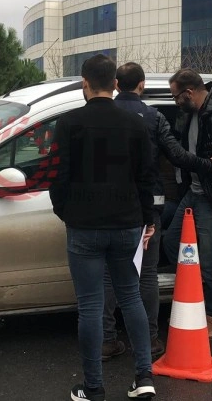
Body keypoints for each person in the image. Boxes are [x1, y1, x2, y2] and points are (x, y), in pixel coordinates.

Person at [49, 54, 156, 401]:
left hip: (84, 227)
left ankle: (93, 387)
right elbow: (146, 178)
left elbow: (58, 177)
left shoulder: (69, 124)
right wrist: (148, 219)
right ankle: (144, 377)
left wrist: (66, 212)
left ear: (85, 83)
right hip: (127, 224)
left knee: (91, 306)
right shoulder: (135, 124)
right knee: (131, 297)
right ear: (115, 84)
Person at [102, 62, 212, 362]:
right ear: (141, 85)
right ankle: (150, 339)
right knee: (147, 274)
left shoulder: (101, 115)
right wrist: (209, 164)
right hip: (147, 206)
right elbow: (177, 156)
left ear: (117, 85)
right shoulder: (153, 117)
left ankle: (107, 339)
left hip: (109, 206)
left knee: (110, 275)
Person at [163, 68, 212, 340]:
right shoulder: (191, 113)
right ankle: (194, 296)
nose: (175, 102)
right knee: (172, 242)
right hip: (194, 191)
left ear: (189, 92)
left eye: (176, 96)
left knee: (210, 258)